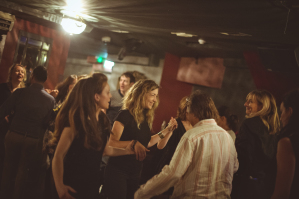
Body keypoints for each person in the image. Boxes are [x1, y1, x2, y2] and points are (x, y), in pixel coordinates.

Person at [134, 90, 239, 199]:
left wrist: (142, 192)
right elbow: (235, 167)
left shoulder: (192, 136)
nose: (187, 113)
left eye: (188, 110)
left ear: (195, 113)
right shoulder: (227, 137)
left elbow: (173, 173)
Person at [51, 73, 135, 199]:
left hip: (91, 185)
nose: (110, 96)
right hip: (72, 184)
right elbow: (58, 155)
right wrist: (60, 187)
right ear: (96, 96)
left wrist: (128, 150)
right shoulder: (77, 120)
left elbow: (106, 150)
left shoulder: (103, 120)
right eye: (107, 93)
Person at [104, 79, 177, 199]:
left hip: (135, 172)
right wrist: (133, 143)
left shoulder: (146, 117)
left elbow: (147, 143)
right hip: (118, 171)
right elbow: (111, 142)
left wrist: (168, 130)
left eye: (156, 96)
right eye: (152, 95)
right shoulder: (125, 114)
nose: (155, 99)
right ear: (141, 94)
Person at [0, 66, 55, 199]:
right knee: (23, 172)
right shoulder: (50, 100)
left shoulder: (19, 93)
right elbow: (48, 122)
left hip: (14, 134)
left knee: (8, 169)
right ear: (45, 79)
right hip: (32, 138)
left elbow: (3, 110)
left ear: (32, 76)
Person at [232, 90, 280, 199]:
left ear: (262, 106)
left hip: (245, 186)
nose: (245, 104)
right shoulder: (274, 129)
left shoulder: (248, 124)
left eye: (250, 102)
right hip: (264, 187)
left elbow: (241, 157)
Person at [0, 63, 26, 188]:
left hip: (13, 128)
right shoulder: (2, 88)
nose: (20, 73)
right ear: (11, 73)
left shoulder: (23, 92)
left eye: (22, 72)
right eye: (17, 71)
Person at [271, 89, 299, 199]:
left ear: (290, 111)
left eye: (282, 111)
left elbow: (282, 193)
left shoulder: (287, 142)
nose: (280, 117)